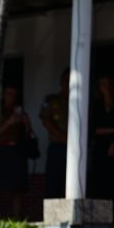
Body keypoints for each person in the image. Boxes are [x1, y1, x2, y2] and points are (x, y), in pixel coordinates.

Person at [89, 75, 114, 221]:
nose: (106, 87)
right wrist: (113, 130)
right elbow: (93, 129)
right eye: (103, 84)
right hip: (100, 149)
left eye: (108, 84)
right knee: (100, 183)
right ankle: (101, 218)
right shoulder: (95, 106)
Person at [0, 86, 34, 219]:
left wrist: (26, 124)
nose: (11, 97)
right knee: (0, 188)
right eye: (9, 94)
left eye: (14, 95)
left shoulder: (21, 113)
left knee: (18, 188)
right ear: (3, 95)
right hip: (2, 151)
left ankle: (17, 219)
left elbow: (28, 135)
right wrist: (9, 122)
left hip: (17, 152)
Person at [39, 69, 69, 198]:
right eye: (66, 80)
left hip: (76, 149)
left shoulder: (80, 101)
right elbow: (45, 120)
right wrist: (61, 136)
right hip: (57, 147)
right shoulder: (52, 100)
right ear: (61, 82)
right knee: (53, 184)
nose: (68, 84)